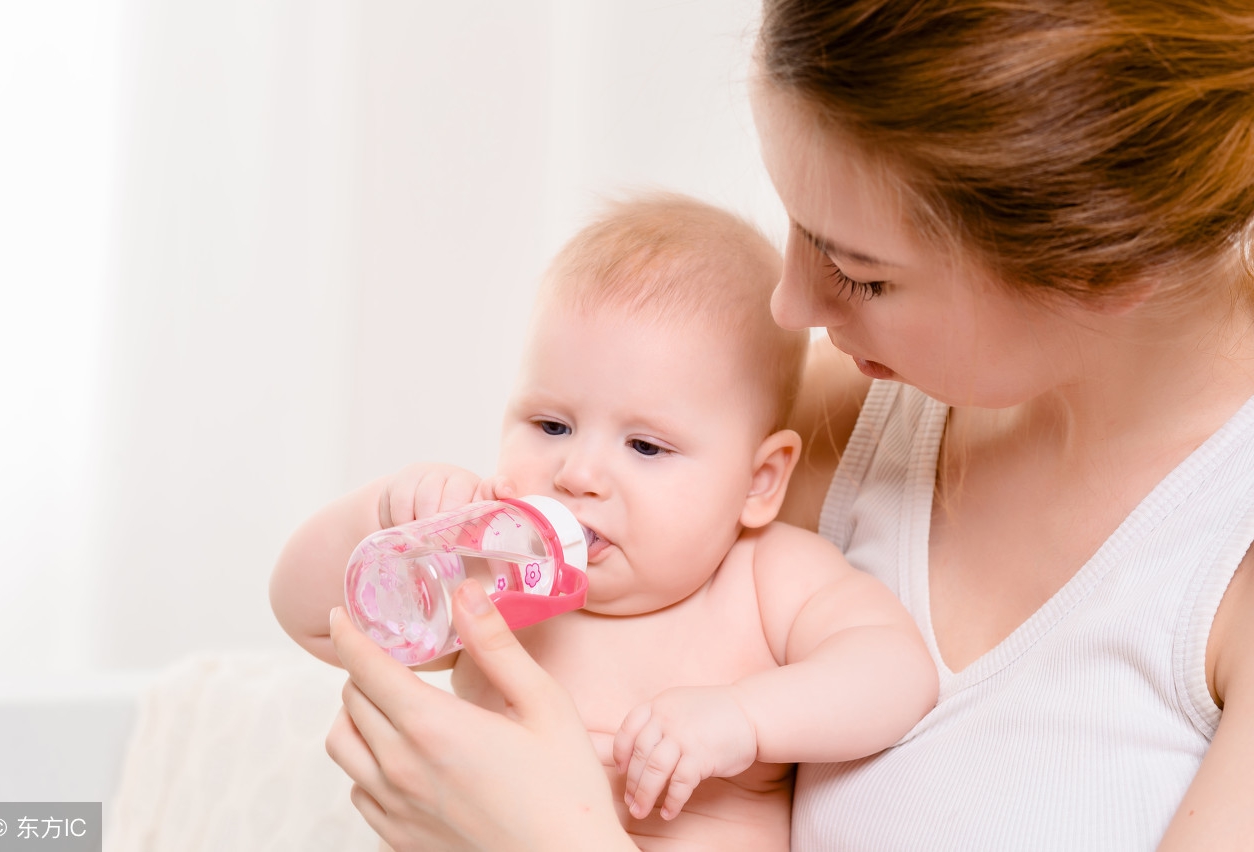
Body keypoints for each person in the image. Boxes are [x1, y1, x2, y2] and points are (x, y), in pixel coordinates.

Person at [318, 2, 1254, 848]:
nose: (789, 304)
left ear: (1101, 270)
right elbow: (348, 601)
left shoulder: (1219, 567)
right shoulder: (811, 420)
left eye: (861, 274)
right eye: (796, 226)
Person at [271, 193, 939, 850]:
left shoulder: (766, 578)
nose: (578, 474)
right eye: (551, 425)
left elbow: (897, 673)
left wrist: (745, 717)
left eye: (645, 446)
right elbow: (306, 611)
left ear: (759, 483)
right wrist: (388, 516)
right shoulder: (500, 575)